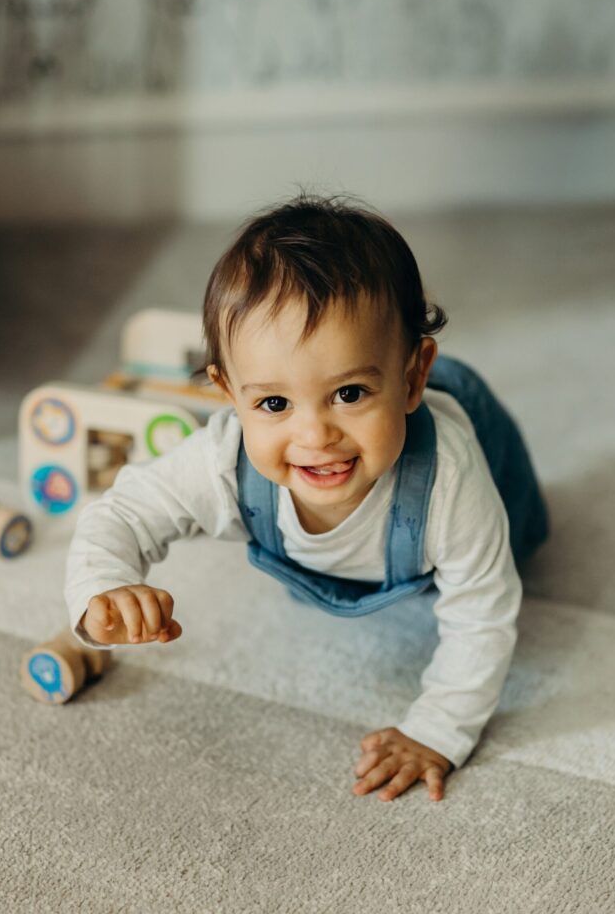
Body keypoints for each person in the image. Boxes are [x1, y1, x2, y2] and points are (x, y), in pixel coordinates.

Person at [64, 192, 549, 803]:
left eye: (348, 393)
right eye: (273, 403)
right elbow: (123, 513)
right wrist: (104, 585)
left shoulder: (450, 479)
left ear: (411, 376)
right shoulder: (226, 460)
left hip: (472, 447)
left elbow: (484, 614)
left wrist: (438, 730)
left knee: (515, 553)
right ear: (228, 395)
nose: (315, 436)